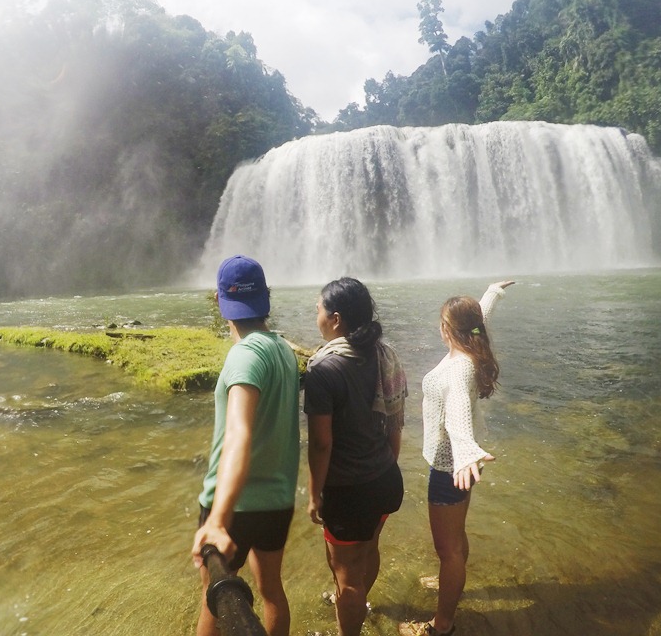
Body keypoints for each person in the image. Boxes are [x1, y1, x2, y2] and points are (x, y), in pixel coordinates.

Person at [191, 255, 301, 636]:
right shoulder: (284, 350)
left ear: (221, 303)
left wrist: (218, 518)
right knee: (271, 589)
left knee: (215, 595)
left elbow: (239, 434)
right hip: (277, 500)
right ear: (265, 298)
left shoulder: (244, 355)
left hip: (232, 504)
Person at [399, 280, 515, 636]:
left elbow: (457, 414)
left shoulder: (459, 366)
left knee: (447, 549)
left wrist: (464, 452)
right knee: (455, 539)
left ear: (447, 329)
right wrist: (492, 293)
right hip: (462, 463)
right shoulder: (467, 346)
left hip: (452, 466)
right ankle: (449, 578)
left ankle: (441, 626)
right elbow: (479, 319)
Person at [304, 277, 408, 636]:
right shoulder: (384, 354)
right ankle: (359, 603)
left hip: (347, 492)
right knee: (369, 548)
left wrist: (314, 493)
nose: (314, 316)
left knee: (346, 577)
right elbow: (395, 426)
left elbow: (320, 444)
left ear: (335, 319)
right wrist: (385, 467)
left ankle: (350, 619)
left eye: (316, 310)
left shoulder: (323, 370)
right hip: (385, 481)